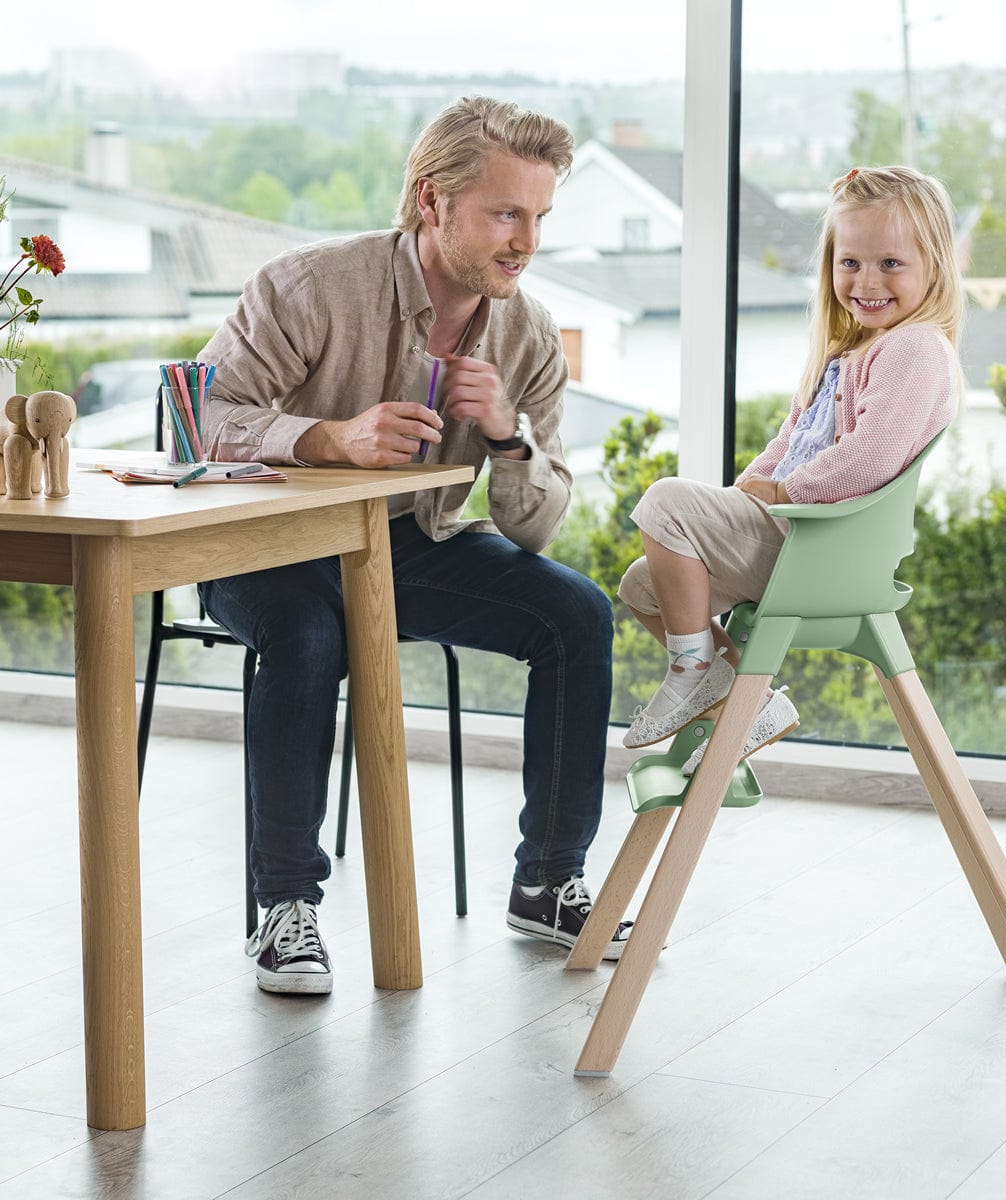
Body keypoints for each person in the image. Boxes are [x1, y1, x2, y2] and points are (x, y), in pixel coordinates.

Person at [197, 96, 628, 995]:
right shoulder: (311, 286)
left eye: (539, 216)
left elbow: (536, 524)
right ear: (431, 202)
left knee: (575, 615)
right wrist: (327, 439)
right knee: (310, 638)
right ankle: (285, 910)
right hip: (262, 543)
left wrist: (508, 439)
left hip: (408, 545)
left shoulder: (530, 334)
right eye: (505, 213)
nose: (526, 240)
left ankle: (548, 881)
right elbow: (196, 417)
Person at [619, 164, 964, 775]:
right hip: (791, 535)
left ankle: (692, 670)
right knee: (643, 584)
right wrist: (741, 497)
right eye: (850, 263)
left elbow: (868, 458)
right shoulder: (846, 351)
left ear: (933, 266)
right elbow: (785, 446)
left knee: (664, 500)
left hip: (821, 548)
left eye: (890, 264)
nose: (866, 281)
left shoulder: (914, 349)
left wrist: (779, 492)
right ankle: (740, 702)